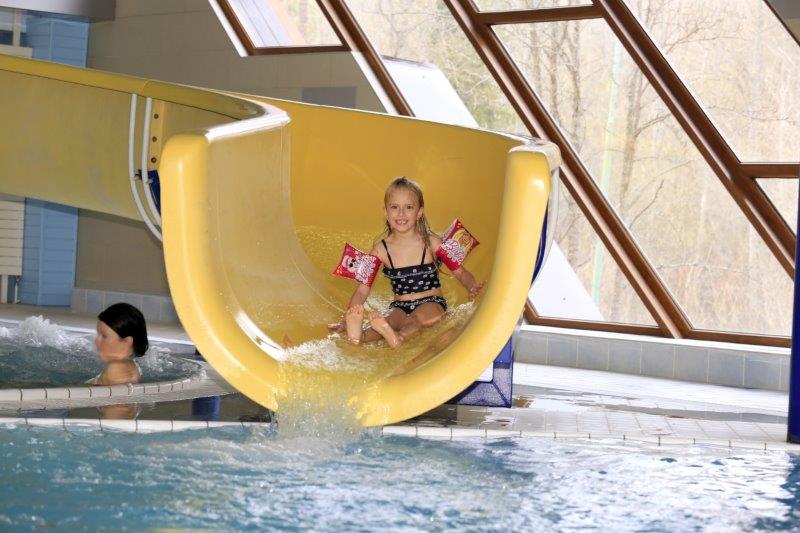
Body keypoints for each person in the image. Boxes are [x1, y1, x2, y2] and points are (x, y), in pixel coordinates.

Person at [333, 176, 483, 348]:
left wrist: (472, 287)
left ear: (419, 213)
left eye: (409, 207)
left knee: (414, 321)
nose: (401, 213)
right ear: (386, 213)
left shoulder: (433, 243)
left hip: (431, 302)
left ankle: (398, 338)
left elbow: (461, 273)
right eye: (394, 207)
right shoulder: (381, 250)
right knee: (387, 321)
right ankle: (359, 335)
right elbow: (362, 290)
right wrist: (348, 317)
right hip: (399, 305)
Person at [91, 302, 149, 387]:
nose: (96, 341)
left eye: (104, 336)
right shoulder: (132, 365)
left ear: (126, 342)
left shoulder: (113, 372)